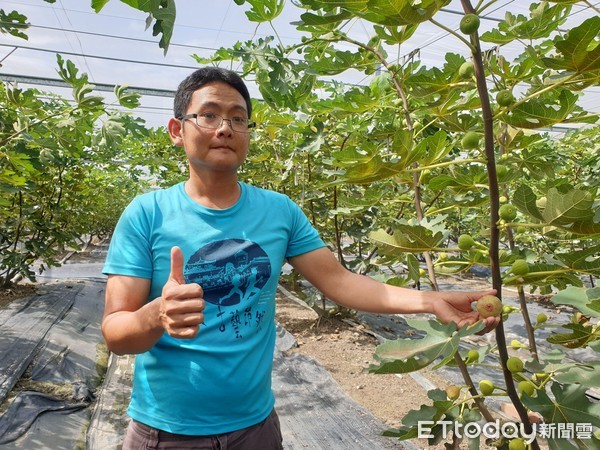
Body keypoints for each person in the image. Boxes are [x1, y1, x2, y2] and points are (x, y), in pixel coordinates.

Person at [101, 67, 499, 450]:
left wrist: (430, 300)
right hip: (167, 431)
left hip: (254, 427)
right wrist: (156, 315)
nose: (225, 128)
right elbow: (116, 334)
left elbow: (338, 281)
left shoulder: (280, 211)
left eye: (238, 119)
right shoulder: (146, 213)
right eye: (208, 115)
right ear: (177, 130)